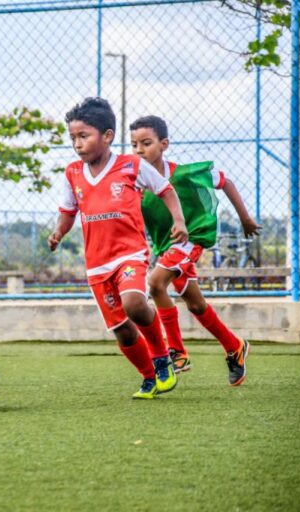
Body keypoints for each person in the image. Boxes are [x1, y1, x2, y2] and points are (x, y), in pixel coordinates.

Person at [48, 98, 188, 399]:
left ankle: (163, 358)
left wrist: (179, 220)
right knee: (122, 329)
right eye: (73, 137)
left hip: (130, 253)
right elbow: (69, 211)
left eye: (84, 136)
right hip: (97, 263)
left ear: (107, 136)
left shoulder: (131, 165)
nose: (77, 143)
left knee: (135, 304)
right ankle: (149, 376)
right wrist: (59, 232)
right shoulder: (72, 173)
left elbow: (166, 189)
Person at [130, 115, 260, 386]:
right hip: (167, 247)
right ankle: (234, 346)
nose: (139, 150)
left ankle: (176, 351)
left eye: (146, 143)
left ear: (163, 144)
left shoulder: (185, 174)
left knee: (155, 284)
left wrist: (245, 218)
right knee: (196, 304)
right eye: (134, 145)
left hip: (191, 238)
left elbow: (225, 181)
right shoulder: (136, 183)